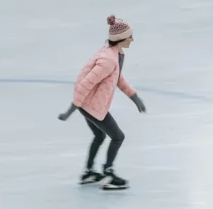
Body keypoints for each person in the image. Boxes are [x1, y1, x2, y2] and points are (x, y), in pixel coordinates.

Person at [58, 15, 147, 190]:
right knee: (118, 137)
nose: (132, 39)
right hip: (91, 105)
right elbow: (86, 84)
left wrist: (134, 97)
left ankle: (89, 172)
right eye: (130, 36)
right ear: (121, 38)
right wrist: (71, 109)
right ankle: (108, 174)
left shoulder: (115, 53)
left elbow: (117, 78)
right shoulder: (108, 60)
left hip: (87, 104)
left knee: (99, 136)